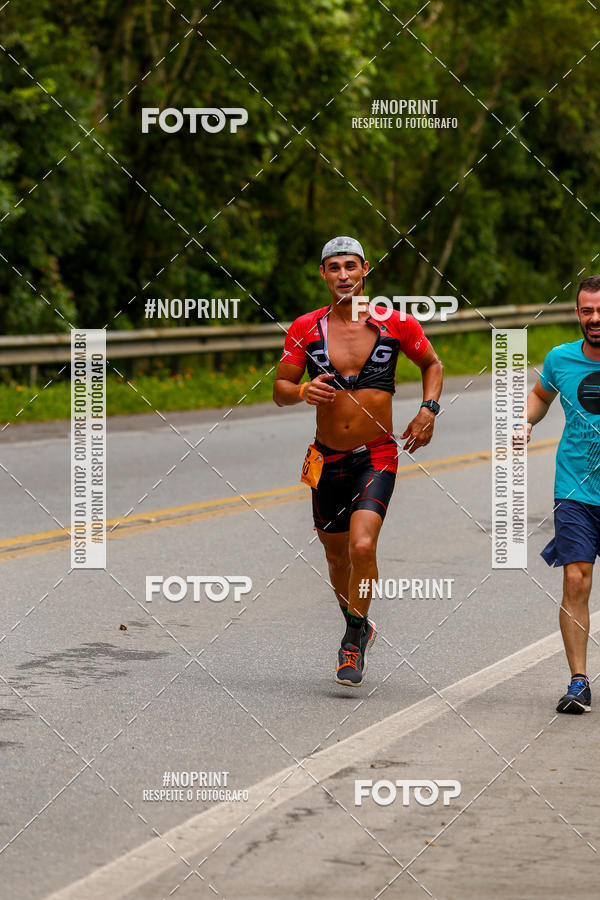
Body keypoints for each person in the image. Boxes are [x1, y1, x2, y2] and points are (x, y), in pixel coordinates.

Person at [273, 236, 443, 687]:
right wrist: (301, 390)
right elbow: (280, 390)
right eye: (334, 267)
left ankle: (351, 640)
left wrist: (429, 409)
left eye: (350, 266)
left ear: (365, 269)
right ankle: (360, 622)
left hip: (377, 454)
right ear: (323, 274)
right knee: (335, 556)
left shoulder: (395, 323)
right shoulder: (306, 328)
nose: (343, 275)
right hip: (326, 458)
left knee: (362, 547)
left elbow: (432, 364)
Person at [517, 274, 600, 713]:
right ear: (577, 313)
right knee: (574, 578)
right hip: (575, 489)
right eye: (587, 311)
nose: (595, 318)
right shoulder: (560, 359)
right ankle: (578, 682)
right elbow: (540, 396)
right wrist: (525, 421)